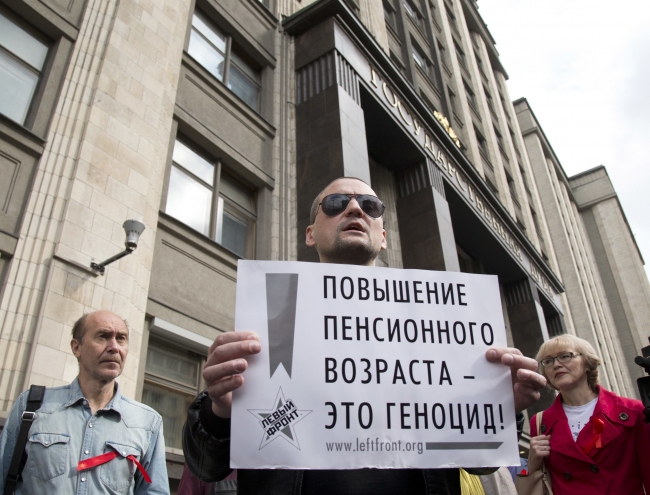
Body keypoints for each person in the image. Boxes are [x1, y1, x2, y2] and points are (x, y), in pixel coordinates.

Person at [183, 177, 546, 494]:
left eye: (370, 205)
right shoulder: (272, 318)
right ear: (310, 234)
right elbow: (205, 467)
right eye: (336, 203)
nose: (355, 207)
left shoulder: (437, 325)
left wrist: (500, 407)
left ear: (383, 236)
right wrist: (220, 412)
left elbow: (479, 465)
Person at [0, 310, 169, 494]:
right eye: (102, 337)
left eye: (121, 338)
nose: (114, 347)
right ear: (76, 347)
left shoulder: (147, 422)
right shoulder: (32, 406)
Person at [527, 334, 650, 494]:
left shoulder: (632, 411)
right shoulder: (541, 422)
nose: (556, 365)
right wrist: (532, 463)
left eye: (565, 356)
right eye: (548, 361)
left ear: (587, 363)